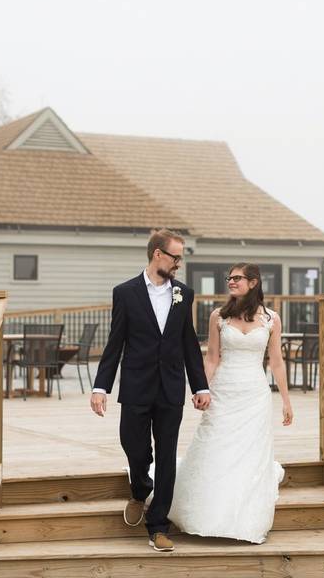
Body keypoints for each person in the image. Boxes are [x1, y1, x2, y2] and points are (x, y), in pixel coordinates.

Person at [90, 229, 210, 552]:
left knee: (168, 455)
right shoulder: (125, 293)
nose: (179, 264)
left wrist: (200, 386)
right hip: (136, 386)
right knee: (133, 443)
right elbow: (115, 344)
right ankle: (140, 488)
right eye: (175, 257)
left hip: (171, 388)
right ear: (158, 254)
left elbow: (188, 343)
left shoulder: (184, 294)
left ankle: (158, 526)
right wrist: (101, 386)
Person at [168, 262, 293, 543]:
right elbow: (212, 357)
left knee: (250, 453)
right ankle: (205, 512)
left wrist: (286, 400)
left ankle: (242, 518)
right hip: (224, 391)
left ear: (253, 282)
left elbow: (276, 362)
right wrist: (202, 388)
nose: (231, 282)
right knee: (215, 445)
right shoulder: (218, 317)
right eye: (229, 278)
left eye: (237, 278)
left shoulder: (272, 319)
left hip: (254, 394)